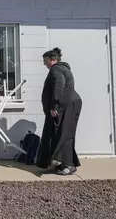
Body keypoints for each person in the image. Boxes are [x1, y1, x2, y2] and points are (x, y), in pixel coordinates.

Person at [36, 47, 82, 176]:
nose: (45, 63)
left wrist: (55, 106)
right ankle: (63, 163)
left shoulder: (56, 70)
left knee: (64, 134)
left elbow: (59, 86)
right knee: (60, 134)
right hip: (68, 104)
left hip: (66, 105)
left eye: (46, 61)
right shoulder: (61, 68)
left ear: (53, 60)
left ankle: (69, 165)